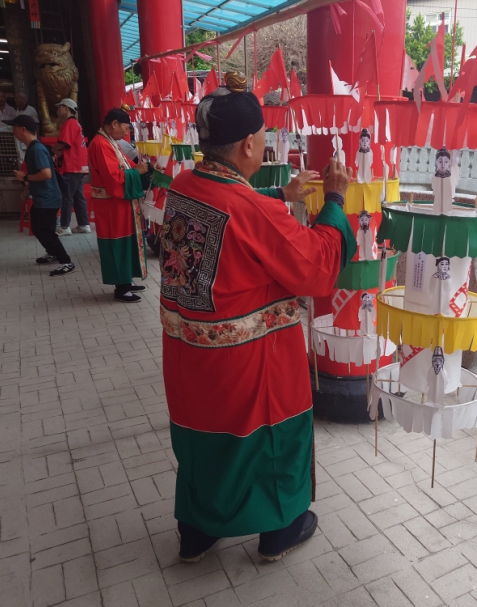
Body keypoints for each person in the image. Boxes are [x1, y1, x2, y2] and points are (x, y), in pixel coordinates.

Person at [160, 77, 356, 563]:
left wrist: (281, 192)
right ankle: (280, 529)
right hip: (250, 361)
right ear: (249, 144)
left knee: (204, 443)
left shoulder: (184, 184)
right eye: (264, 135)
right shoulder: (251, 210)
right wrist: (334, 200)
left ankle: (199, 531)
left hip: (189, 357)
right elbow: (316, 266)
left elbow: (234, 204)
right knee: (270, 438)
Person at [88, 108, 152, 303]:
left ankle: (127, 280)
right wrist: (138, 172)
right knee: (117, 242)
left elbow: (124, 167)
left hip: (119, 203)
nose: (126, 133)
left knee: (128, 240)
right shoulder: (101, 144)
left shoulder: (109, 141)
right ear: (114, 124)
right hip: (111, 205)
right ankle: (121, 288)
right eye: (125, 128)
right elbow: (113, 178)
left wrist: (144, 169)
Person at [5, 115, 75, 277]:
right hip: (42, 197)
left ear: (23, 129)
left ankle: (66, 261)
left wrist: (25, 178)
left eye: (13, 127)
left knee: (46, 231)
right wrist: (27, 189)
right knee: (37, 228)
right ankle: (52, 253)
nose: (12, 131)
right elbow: (37, 173)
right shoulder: (33, 148)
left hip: (48, 198)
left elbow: (46, 174)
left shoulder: (36, 149)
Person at [53, 98, 90, 235]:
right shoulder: (76, 124)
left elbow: (63, 143)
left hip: (72, 166)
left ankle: (64, 226)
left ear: (66, 108)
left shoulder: (70, 124)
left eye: (59, 107)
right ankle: (83, 224)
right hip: (79, 165)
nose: (58, 110)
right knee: (77, 196)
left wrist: (50, 150)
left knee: (67, 196)